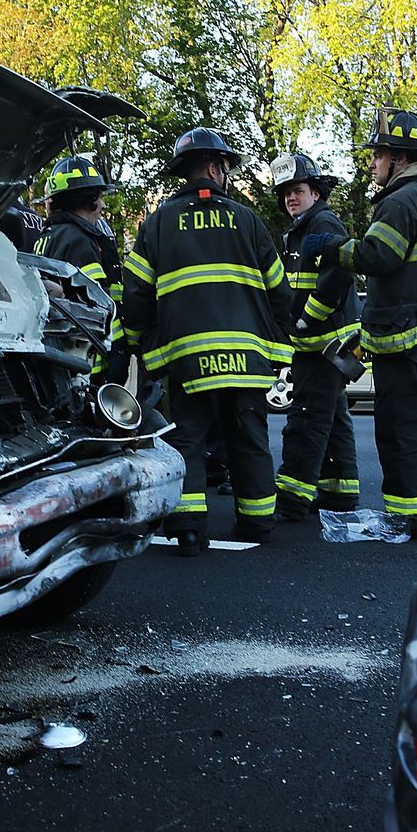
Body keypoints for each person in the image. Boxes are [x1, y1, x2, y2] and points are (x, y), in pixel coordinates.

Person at [307, 109, 417, 538]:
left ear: (398, 157)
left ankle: (408, 517)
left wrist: (333, 247)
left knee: (402, 430)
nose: (371, 164)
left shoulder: (400, 201)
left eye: (377, 155)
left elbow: (378, 255)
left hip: (406, 339)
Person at [122, 127, 291, 555]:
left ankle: (189, 530)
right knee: (249, 439)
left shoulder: (159, 223)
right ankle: (258, 522)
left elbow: (136, 293)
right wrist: (279, 340)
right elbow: (279, 290)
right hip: (246, 357)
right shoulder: (247, 220)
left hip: (187, 358)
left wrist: (141, 343)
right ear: (216, 169)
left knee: (187, 440)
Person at [268, 152, 360, 520]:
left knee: (306, 419)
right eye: (287, 192)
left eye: (298, 191)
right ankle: (340, 492)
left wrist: (307, 319)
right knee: (332, 418)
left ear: (316, 193)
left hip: (324, 345)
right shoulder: (303, 227)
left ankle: (292, 498)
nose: (291, 197)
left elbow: (339, 275)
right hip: (323, 346)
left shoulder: (323, 223)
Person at [32, 155, 125, 375]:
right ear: (89, 199)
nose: (103, 205)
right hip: (88, 362)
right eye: (100, 198)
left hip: (57, 354)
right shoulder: (79, 241)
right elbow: (97, 304)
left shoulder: (47, 236)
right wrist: (116, 357)